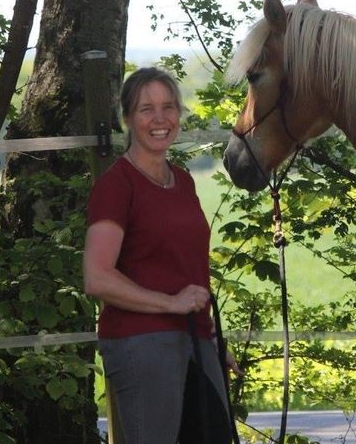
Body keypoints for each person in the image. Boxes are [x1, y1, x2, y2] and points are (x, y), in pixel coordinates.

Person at [83, 67, 239, 444]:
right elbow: (97, 277)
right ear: (127, 118)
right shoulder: (116, 186)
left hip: (196, 342)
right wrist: (170, 304)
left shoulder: (182, 179)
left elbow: (186, 269)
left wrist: (213, 337)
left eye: (168, 107)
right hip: (142, 346)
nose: (160, 119)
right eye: (146, 109)